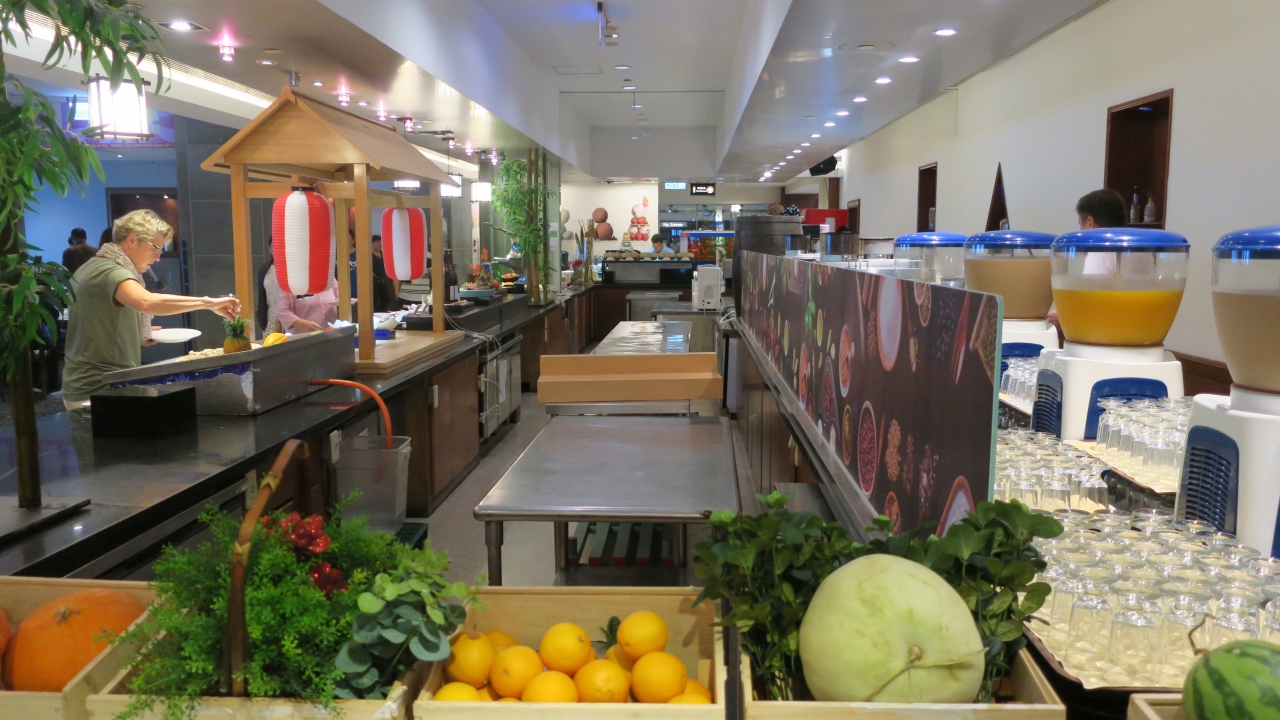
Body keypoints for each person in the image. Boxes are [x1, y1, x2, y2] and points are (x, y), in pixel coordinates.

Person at [61, 210, 240, 410]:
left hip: (100, 385)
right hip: (97, 389)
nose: (158, 258)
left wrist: (137, 331)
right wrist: (209, 303)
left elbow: (98, 323)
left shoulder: (95, 265)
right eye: (155, 248)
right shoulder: (110, 271)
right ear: (131, 240)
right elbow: (146, 302)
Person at [256, 240, 280, 336]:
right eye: (274, 246)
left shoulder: (292, 268)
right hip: (270, 317)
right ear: (269, 248)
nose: (277, 249)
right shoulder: (265, 269)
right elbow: (261, 295)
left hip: (290, 317)